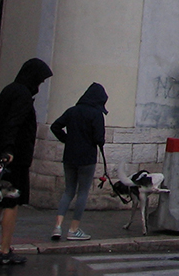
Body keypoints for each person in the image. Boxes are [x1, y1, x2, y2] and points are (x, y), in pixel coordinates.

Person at [0, 57, 53, 265]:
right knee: (10, 204)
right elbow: (13, 124)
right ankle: (5, 250)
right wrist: (9, 150)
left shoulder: (9, 90)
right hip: (13, 161)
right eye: (40, 81)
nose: (39, 86)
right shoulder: (23, 95)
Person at [50, 82, 108, 242]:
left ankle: (57, 226)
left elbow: (55, 127)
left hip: (69, 156)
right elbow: (99, 139)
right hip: (87, 158)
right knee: (82, 193)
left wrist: (67, 140)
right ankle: (73, 229)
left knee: (68, 191)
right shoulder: (96, 114)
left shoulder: (72, 111)